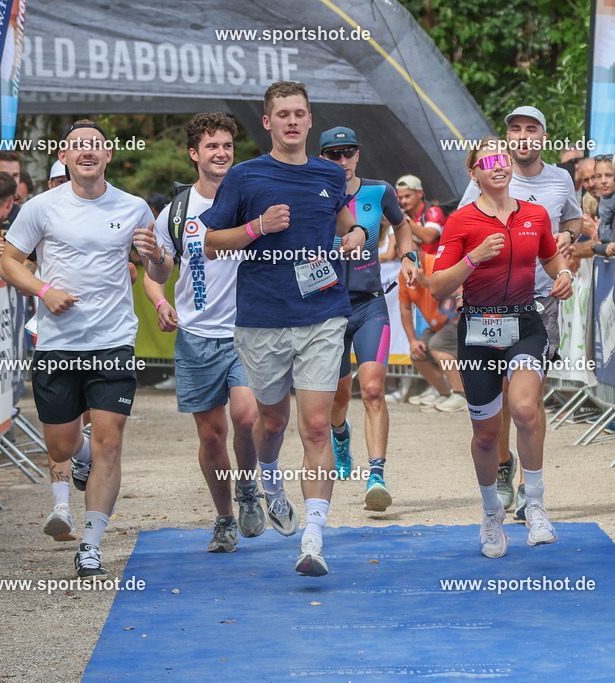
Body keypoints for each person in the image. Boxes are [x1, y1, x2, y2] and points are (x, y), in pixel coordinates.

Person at [201, 81, 366, 577]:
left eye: (300, 114)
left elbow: (345, 223)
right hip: (263, 318)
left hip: (322, 313)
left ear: (309, 121)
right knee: (268, 422)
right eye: (282, 115)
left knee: (315, 425)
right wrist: (257, 229)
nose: (292, 122)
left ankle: (313, 539)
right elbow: (211, 244)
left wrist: (357, 234)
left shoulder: (330, 174)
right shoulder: (246, 177)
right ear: (268, 122)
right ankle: (269, 477)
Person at [0, 119, 163, 578]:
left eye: (95, 145)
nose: (87, 151)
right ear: (65, 157)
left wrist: (155, 256)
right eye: (78, 146)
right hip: (57, 345)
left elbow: (160, 271)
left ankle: (91, 544)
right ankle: (81, 454)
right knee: (64, 445)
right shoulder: (42, 207)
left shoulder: (133, 207)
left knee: (111, 443)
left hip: (112, 342)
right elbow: (10, 263)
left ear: (108, 155)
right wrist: (43, 290)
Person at [430, 138, 573, 557]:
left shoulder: (535, 214)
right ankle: (492, 513)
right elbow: (438, 286)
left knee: (526, 407)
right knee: (487, 433)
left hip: (524, 324)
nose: (498, 165)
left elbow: (550, 260)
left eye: (503, 158)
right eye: (487, 160)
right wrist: (472, 259)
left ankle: (536, 504)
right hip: (477, 329)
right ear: (474, 173)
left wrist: (562, 275)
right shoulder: (461, 221)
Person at [142, 112, 264, 553]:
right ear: (195, 154)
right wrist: (160, 301)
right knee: (212, 436)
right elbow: (156, 273)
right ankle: (225, 517)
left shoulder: (252, 198)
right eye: (212, 146)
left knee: (247, 419)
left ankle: (249, 488)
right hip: (195, 337)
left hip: (247, 331)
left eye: (227, 146)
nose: (221, 153)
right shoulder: (175, 212)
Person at [457, 105, 582, 517]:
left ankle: (532, 490)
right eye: (515, 129)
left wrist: (562, 240)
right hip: (489, 308)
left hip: (540, 302)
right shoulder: (483, 179)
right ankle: (505, 465)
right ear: (507, 139)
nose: (523, 135)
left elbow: (576, 224)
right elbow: (462, 236)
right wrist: (462, 281)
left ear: (543, 137)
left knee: (527, 398)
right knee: (503, 401)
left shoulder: (560, 178)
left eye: (532, 129)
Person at [319, 126, 417, 513]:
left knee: (373, 390)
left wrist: (409, 257)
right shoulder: (314, 191)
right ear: (322, 157)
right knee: (339, 396)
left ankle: (376, 475)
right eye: (333, 154)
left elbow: (402, 225)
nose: (341, 160)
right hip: (327, 309)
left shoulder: (379, 191)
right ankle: (340, 435)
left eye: (348, 153)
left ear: (358, 154)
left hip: (370, 304)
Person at [398, 248, 465, 411]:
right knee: (417, 352)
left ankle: (461, 395)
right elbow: (405, 310)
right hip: (437, 326)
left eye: (412, 252)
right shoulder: (403, 274)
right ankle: (444, 394)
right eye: (404, 255)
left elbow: (458, 290)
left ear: (421, 251)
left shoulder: (437, 262)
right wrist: (412, 341)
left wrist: (425, 281)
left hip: (460, 319)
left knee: (437, 344)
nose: (409, 258)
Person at [396, 174, 446, 257]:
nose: (403, 201)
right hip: (418, 264)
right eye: (400, 198)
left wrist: (405, 220)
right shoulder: (404, 214)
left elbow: (429, 237)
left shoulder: (433, 211)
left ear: (420, 193)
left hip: (437, 261)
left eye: (407, 196)